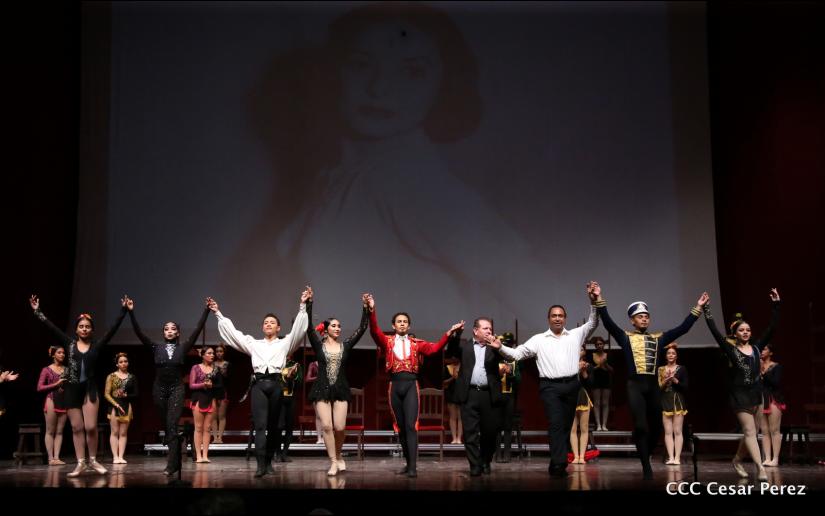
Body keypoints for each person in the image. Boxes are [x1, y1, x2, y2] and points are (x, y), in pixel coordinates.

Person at [591, 284, 708, 480]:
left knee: (656, 428)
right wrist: (599, 297)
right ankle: (646, 466)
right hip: (635, 386)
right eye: (640, 316)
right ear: (632, 320)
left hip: (653, 387)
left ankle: (646, 451)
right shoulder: (625, 337)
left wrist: (698, 307)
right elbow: (608, 323)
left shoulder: (659, 338)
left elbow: (683, 328)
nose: (644, 318)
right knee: (640, 427)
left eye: (646, 316)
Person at [488, 282, 600, 478]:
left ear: (565, 319)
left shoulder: (575, 335)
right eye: (554, 315)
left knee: (565, 426)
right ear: (548, 319)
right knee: (556, 424)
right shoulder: (538, 339)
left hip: (572, 385)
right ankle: (558, 464)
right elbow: (517, 354)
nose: (557, 318)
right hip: (550, 387)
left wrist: (594, 301)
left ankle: (556, 462)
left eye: (560, 315)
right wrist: (500, 348)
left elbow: (593, 323)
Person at [209, 288, 311, 477]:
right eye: (266, 322)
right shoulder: (254, 343)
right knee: (260, 426)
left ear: (278, 328)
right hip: (259, 386)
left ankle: (269, 462)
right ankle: (260, 464)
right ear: (262, 327)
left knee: (274, 427)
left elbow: (298, 330)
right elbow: (234, 334)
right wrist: (218, 313)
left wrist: (303, 305)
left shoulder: (285, 343)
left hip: (277, 385)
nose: (268, 324)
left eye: (272, 322)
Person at [30, 294, 127, 476]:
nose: (84, 329)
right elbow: (52, 328)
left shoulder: (96, 345)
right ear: (76, 329)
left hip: (90, 389)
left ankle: (93, 460)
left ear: (92, 330)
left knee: (90, 427)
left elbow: (112, 330)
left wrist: (123, 311)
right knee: (76, 427)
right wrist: (37, 312)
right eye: (81, 326)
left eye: (87, 326)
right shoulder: (69, 344)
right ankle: (81, 463)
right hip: (72, 389)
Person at [367, 294, 463, 478]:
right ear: (394, 326)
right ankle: (408, 462)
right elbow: (374, 331)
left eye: (405, 322)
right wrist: (371, 310)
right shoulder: (387, 342)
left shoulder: (416, 344)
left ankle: (413, 467)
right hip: (395, 386)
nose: (402, 324)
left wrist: (449, 333)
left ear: (409, 326)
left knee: (411, 426)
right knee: (401, 427)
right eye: (399, 321)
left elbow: (435, 349)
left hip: (411, 385)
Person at [123, 296, 211, 475]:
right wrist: (130, 312)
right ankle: (176, 451)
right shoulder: (157, 348)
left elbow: (197, 329)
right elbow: (139, 333)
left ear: (177, 333)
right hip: (159, 390)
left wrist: (206, 310)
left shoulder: (183, 347)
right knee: (167, 425)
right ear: (163, 333)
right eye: (166, 329)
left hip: (177, 389)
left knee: (172, 423)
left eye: (173, 329)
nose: (169, 331)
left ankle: (172, 464)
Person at [703, 289, 780, 481]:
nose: (745, 332)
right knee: (750, 432)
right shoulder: (731, 350)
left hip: (756, 393)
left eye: (748, 330)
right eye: (741, 330)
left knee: (752, 432)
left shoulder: (756, 348)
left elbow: (772, 328)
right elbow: (715, 332)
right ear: (735, 334)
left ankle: (737, 460)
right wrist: (707, 310)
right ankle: (760, 468)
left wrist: (776, 305)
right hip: (739, 395)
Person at [305, 291, 370, 476]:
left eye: (339, 326)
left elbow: (362, 328)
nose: (338, 328)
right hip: (321, 389)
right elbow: (308, 327)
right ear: (326, 329)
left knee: (340, 427)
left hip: (340, 388)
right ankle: (333, 461)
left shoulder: (345, 346)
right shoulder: (319, 346)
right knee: (327, 426)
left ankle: (339, 454)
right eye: (334, 325)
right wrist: (309, 303)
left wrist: (365, 308)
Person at [446, 318, 504, 476]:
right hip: (469, 394)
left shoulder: (494, 347)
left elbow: (507, 358)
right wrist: (457, 334)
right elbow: (451, 351)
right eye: (485, 328)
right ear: (475, 331)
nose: (489, 331)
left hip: (488, 394)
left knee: (489, 432)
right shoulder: (465, 346)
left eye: (490, 328)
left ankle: (485, 460)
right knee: (470, 432)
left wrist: (499, 348)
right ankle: (475, 464)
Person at [104, 352, 138, 464]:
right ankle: (115, 457)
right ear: (117, 364)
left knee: (123, 433)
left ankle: (121, 456)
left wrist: (126, 395)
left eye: (125, 361)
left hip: (126, 406)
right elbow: (106, 394)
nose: (123, 363)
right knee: (114, 432)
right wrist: (116, 405)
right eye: (121, 362)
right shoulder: (111, 376)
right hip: (114, 406)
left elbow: (136, 394)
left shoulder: (132, 377)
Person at [189, 346, 222, 463]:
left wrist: (212, 386)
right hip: (198, 399)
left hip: (210, 399)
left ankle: (205, 456)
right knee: (198, 428)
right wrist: (203, 385)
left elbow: (220, 386)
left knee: (207, 428)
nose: (212, 355)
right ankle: (198, 456)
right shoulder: (196, 368)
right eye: (209, 353)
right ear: (203, 355)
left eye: (213, 353)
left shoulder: (216, 370)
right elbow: (191, 385)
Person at [658, 343, 688, 465]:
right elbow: (659, 387)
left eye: (673, 353)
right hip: (665, 400)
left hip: (677, 400)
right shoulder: (661, 369)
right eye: (669, 353)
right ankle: (670, 457)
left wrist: (675, 380)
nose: (671, 355)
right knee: (668, 431)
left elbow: (685, 386)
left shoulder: (681, 369)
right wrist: (666, 380)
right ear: (666, 356)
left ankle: (677, 458)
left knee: (677, 431)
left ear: (676, 356)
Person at [37, 345, 67, 465]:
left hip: (64, 401)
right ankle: (50, 458)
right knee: (50, 431)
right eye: (59, 352)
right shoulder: (46, 370)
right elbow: (39, 387)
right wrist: (56, 384)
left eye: (63, 353)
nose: (62, 354)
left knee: (60, 431)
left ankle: (57, 457)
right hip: (51, 399)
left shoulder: (67, 370)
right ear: (53, 354)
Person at [495, 332, 520, 463]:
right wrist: (499, 374)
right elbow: (489, 378)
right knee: (497, 426)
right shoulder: (495, 359)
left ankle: (507, 453)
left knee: (508, 426)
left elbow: (519, 380)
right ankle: (497, 454)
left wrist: (510, 374)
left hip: (510, 396)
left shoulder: (514, 361)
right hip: (497, 396)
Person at [273, 359, 302, 463]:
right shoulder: (276, 363)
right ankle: (277, 453)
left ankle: (284, 454)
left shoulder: (295, 365)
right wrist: (286, 376)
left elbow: (299, 383)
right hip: (279, 399)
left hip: (291, 400)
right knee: (279, 426)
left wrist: (293, 376)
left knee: (289, 427)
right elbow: (275, 380)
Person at [760, 343, 784, 467]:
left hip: (773, 398)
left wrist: (763, 372)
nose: (761, 351)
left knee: (774, 430)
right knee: (764, 431)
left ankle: (775, 458)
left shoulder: (776, 366)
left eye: (764, 349)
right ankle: (767, 458)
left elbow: (776, 383)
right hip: (761, 399)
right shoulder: (757, 367)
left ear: (770, 352)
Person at [570, 345, 593, 465]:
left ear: (585, 352)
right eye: (578, 348)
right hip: (571, 396)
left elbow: (591, 384)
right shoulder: (568, 365)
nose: (579, 351)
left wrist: (583, 371)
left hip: (583, 396)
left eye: (582, 349)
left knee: (584, 428)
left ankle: (582, 456)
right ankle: (575, 456)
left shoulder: (588, 366)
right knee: (573, 428)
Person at [590, 336, 613, 431]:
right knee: (597, 403)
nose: (599, 345)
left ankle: (604, 425)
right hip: (595, 381)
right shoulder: (591, 355)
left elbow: (612, 370)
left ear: (604, 345)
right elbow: (590, 369)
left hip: (606, 380)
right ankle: (598, 425)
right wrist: (599, 365)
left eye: (601, 344)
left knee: (605, 403)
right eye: (597, 344)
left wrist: (605, 364)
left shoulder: (608, 355)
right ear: (595, 346)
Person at [212, 344, 231, 444]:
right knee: (213, 416)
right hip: (213, 391)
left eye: (221, 351)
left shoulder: (227, 364)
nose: (219, 353)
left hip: (223, 391)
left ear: (224, 353)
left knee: (221, 416)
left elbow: (230, 378)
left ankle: (220, 437)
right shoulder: (211, 364)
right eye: (217, 351)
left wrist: (223, 371)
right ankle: (215, 438)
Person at [442, 355, 462, 445]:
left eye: (455, 357)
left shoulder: (464, 367)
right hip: (451, 393)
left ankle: (459, 438)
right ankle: (454, 438)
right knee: (453, 417)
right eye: (452, 357)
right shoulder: (447, 368)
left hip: (461, 394)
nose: (453, 359)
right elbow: (443, 383)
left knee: (460, 417)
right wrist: (452, 378)